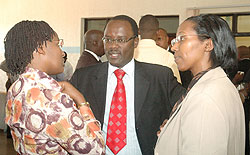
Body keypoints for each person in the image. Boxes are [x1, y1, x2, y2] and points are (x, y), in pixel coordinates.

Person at [70, 15, 185, 155]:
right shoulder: (83, 77)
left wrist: (171, 125)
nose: (113, 46)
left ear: (135, 41)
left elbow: (187, 107)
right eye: (108, 40)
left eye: (121, 40)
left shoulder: (160, 77)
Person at [4, 20, 105, 154]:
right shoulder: (52, 101)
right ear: (40, 47)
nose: (62, 53)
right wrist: (81, 101)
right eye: (58, 44)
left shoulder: (16, 89)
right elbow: (96, 150)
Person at [155, 14, 245, 155]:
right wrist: (172, 133)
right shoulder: (218, 83)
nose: (174, 47)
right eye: (175, 41)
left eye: (182, 39)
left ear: (208, 44)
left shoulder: (205, 97)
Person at [134, 14, 181, 83]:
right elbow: (176, 86)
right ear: (157, 32)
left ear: (139, 32)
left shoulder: (130, 54)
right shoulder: (168, 57)